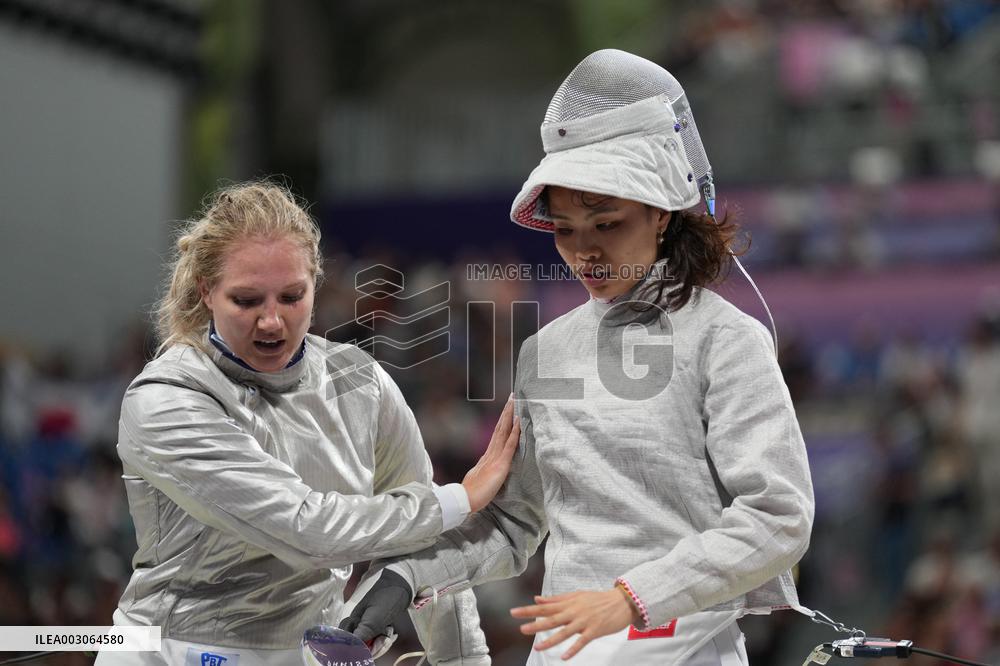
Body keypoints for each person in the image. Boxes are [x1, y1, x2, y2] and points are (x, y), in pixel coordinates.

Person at [342, 49, 815, 665]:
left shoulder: (725, 339)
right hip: (566, 648)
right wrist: (407, 577)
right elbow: (513, 525)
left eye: (607, 224)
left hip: (685, 649)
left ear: (662, 214)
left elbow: (778, 516)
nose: (584, 252)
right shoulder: (548, 349)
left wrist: (629, 599)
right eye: (565, 230)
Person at [95, 182, 519, 666]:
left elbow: (426, 538)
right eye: (247, 301)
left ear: (316, 285)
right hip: (170, 651)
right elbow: (305, 530)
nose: (272, 321)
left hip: (308, 652)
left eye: (292, 296)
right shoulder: (167, 398)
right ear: (206, 292)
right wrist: (459, 499)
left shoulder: (360, 381)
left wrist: (460, 659)